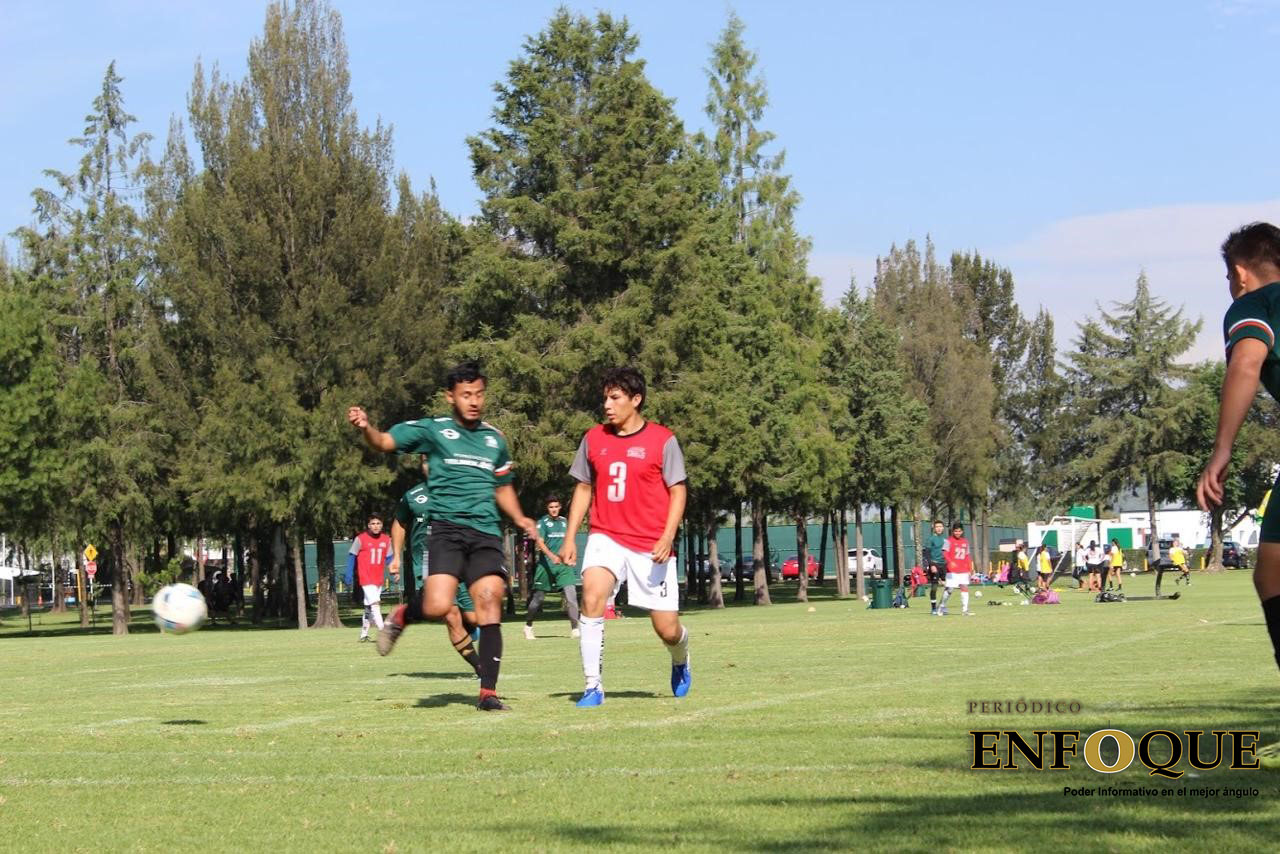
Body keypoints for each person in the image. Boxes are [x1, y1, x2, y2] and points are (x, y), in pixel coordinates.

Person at [348, 361, 539, 712]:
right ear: (450, 397)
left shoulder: (494, 439)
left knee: (489, 598)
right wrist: (366, 428)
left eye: (479, 394)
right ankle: (404, 614)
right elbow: (385, 442)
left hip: (485, 532)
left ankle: (487, 694)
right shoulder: (433, 430)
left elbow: (503, 487)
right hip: (447, 531)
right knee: (438, 605)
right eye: (466, 395)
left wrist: (520, 516)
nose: (474, 401)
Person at [558, 367, 690, 707]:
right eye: (605, 397)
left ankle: (680, 657)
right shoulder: (593, 439)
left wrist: (667, 535)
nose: (607, 404)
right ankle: (592, 687)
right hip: (606, 536)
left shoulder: (663, 440)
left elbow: (678, 491)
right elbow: (584, 488)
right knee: (592, 597)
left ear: (636, 399)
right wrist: (571, 537)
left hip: (650, 544)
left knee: (666, 629)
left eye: (615, 397)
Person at [388, 458, 482, 675]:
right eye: (425, 460)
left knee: (474, 618)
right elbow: (399, 523)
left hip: (459, 562)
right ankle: (481, 669)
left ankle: (407, 613)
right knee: (451, 615)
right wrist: (395, 556)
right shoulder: (413, 496)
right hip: (428, 563)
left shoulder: (460, 491)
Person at [525, 497, 581, 640]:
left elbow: (571, 541)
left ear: (560, 507)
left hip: (563, 566)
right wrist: (552, 556)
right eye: (551, 507)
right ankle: (528, 625)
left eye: (556, 506)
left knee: (571, 596)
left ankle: (575, 628)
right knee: (538, 598)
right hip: (546, 566)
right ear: (547, 508)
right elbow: (540, 543)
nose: (554, 509)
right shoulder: (542, 523)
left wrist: (573, 557)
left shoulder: (564, 522)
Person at [346, 513, 394, 643]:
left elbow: (389, 558)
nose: (376, 526)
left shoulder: (386, 539)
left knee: (368, 606)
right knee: (375, 604)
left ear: (382, 525)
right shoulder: (360, 539)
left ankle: (363, 634)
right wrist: (349, 573)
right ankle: (384, 633)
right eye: (373, 523)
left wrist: (394, 571)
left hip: (378, 578)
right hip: (365, 577)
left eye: (378, 523)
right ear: (368, 525)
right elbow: (352, 556)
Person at [935, 522, 974, 616]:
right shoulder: (948, 541)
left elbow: (967, 556)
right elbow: (944, 553)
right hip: (952, 570)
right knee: (949, 590)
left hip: (963, 569)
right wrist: (950, 562)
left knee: (964, 587)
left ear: (962, 531)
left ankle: (965, 610)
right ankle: (941, 606)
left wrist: (970, 568)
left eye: (959, 531)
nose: (957, 533)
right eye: (956, 531)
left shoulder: (965, 542)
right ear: (953, 531)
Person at [922, 520, 947, 615]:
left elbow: (947, 553)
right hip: (935, 564)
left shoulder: (946, 540)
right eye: (937, 527)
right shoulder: (931, 539)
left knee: (947, 587)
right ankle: (933, 608)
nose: (939, 528)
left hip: (944, 565)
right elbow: (926, 553)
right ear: (934, 528)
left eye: (940, 526)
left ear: (943, 528)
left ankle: (942, 606)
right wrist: (931, 564)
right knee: (934, 587)